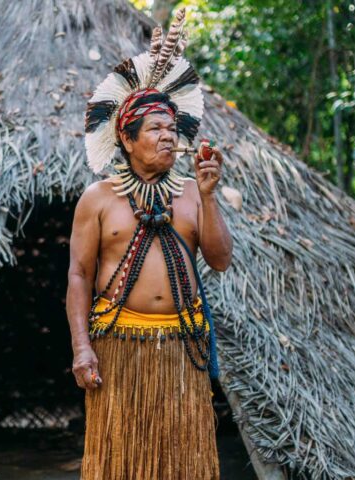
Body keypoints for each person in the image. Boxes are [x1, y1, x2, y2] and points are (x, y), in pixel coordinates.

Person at [65, 9, 233, 479]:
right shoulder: (98, 200)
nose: (168, 136)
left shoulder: (191, 193)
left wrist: (208, 196)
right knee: (122, 463)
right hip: (118, 347)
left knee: (184, 463)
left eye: (171, 128)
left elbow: (220, 261)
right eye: (156, 129)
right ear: (127, 136)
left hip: (182, 349)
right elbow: (78, 274)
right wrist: (82, 348)